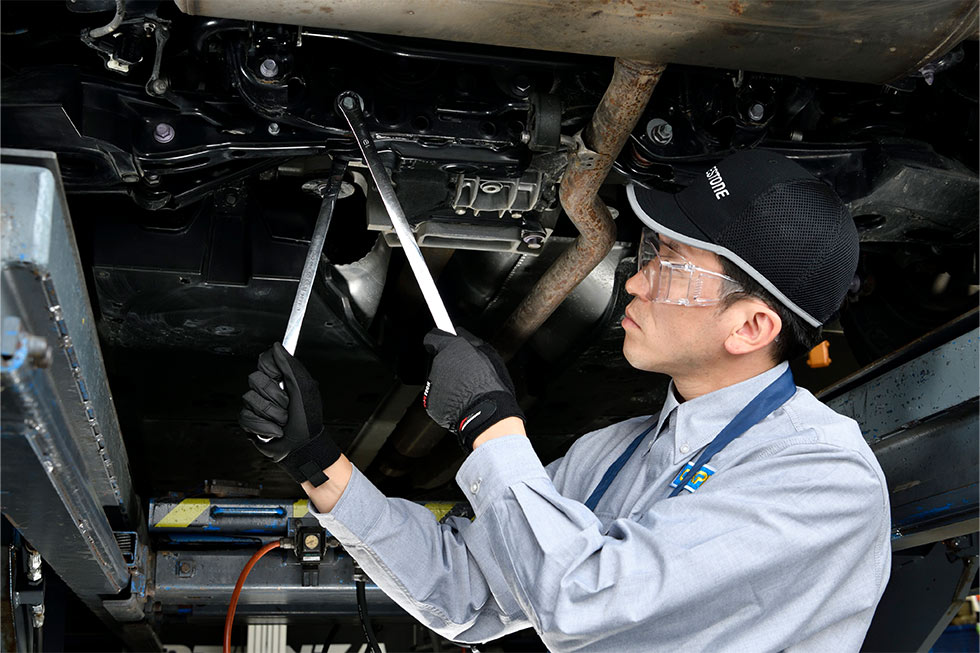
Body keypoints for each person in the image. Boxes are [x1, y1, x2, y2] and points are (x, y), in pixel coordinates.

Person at [239, 150, 891, 652]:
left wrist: (491, 425)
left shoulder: (823, 476)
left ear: (751, 327)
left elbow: (585, 601)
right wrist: (316, 460)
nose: (635, 281)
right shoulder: (613, 452)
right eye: (650, 251)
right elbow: (468, 591)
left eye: (673, 267)